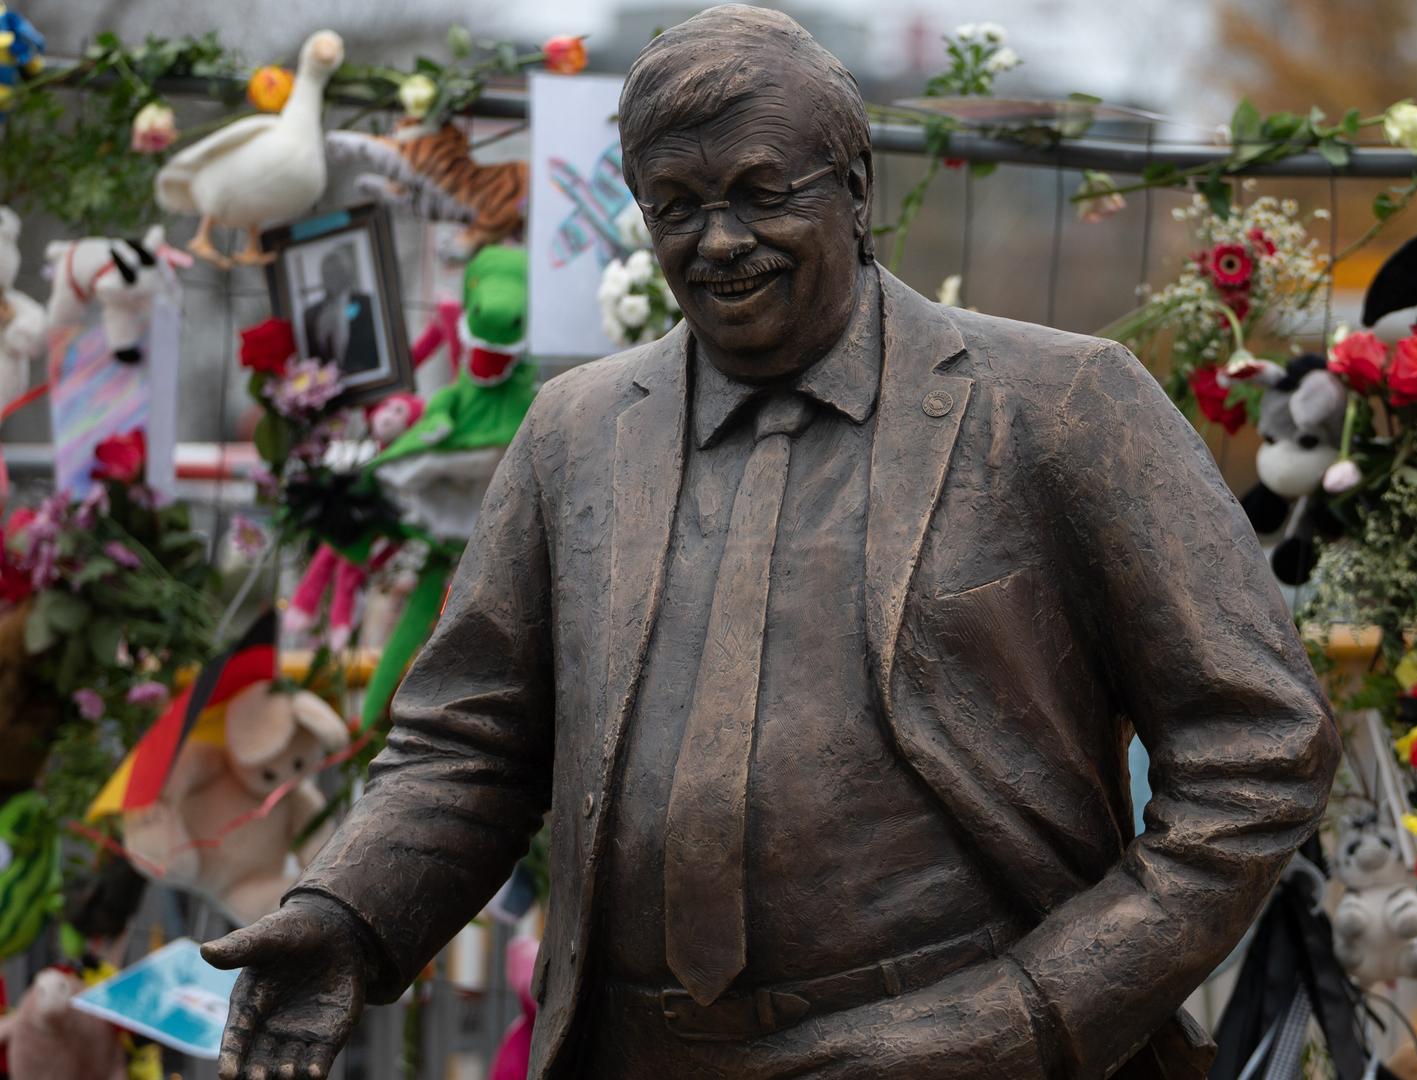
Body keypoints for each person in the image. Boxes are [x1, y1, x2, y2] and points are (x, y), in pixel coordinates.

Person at [203, 7, 1337, 1079]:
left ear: (856, 188)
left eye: (760, 194)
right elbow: (469, 742)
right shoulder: (574, 435)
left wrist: (1029, 1015)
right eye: (676, 206)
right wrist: (346, 916)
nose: (719, 240)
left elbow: (1259, 746)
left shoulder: (1062, 405)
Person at [300, 241, 379, 375]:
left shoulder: (367, 304)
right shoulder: (311, 314)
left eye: (336, 272)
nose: (331, 278)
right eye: (327, 274)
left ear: (346, 274)